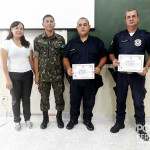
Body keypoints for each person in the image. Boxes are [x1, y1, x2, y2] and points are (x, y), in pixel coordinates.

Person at [109, 9, 150, 141]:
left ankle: (140, 126)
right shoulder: (118, 36)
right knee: (120, 99)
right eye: (128, 17)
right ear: (125, 20)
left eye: (133, 16)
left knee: (138, 102)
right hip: (121, 75)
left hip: (138, 75)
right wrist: (114, 60)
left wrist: (146, 67)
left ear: (137, 18)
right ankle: (119, 122)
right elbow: (111, 53)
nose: (131, 19)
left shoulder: (145, 35)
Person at [63, 17, 107, 131]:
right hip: (75, 80)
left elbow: (104, 56)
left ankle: (88, 120)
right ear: (77, 28)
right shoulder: (71, 43)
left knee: (89, 100)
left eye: (85, 24)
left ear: (89, 27)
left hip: (91, 80)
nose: (82, 27)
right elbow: (65, 57)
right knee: (74, 100)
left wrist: (99, 67)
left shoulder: (97, 42)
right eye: (80, 25)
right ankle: (73, 119)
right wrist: (68, 68)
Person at [0, 21, 34, 130]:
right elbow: (3, 64)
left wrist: (36, 74)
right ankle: (17, 121)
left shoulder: (28, 44)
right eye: (16, 28)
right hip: (13, 76)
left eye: (21, 28)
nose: (19, 30)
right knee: (15, 99)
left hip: (28, 75)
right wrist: (8, 79)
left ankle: (27, 119)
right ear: (11, 30)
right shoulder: (6, 43)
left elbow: (31, 62)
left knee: (26, 99)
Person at [34, 15, 65, 129]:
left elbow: (63, 57)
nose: (49, 23)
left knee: (59, 98)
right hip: (43, 75)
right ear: (43, 24)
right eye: (47, 21)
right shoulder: (38, 39)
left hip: (57, 75)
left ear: (54, 24)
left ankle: (59, 117)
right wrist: (36, 74)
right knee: (44, 98)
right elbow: (36, 58)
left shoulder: (60, 39)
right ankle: (45, 118)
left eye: (51, 21)